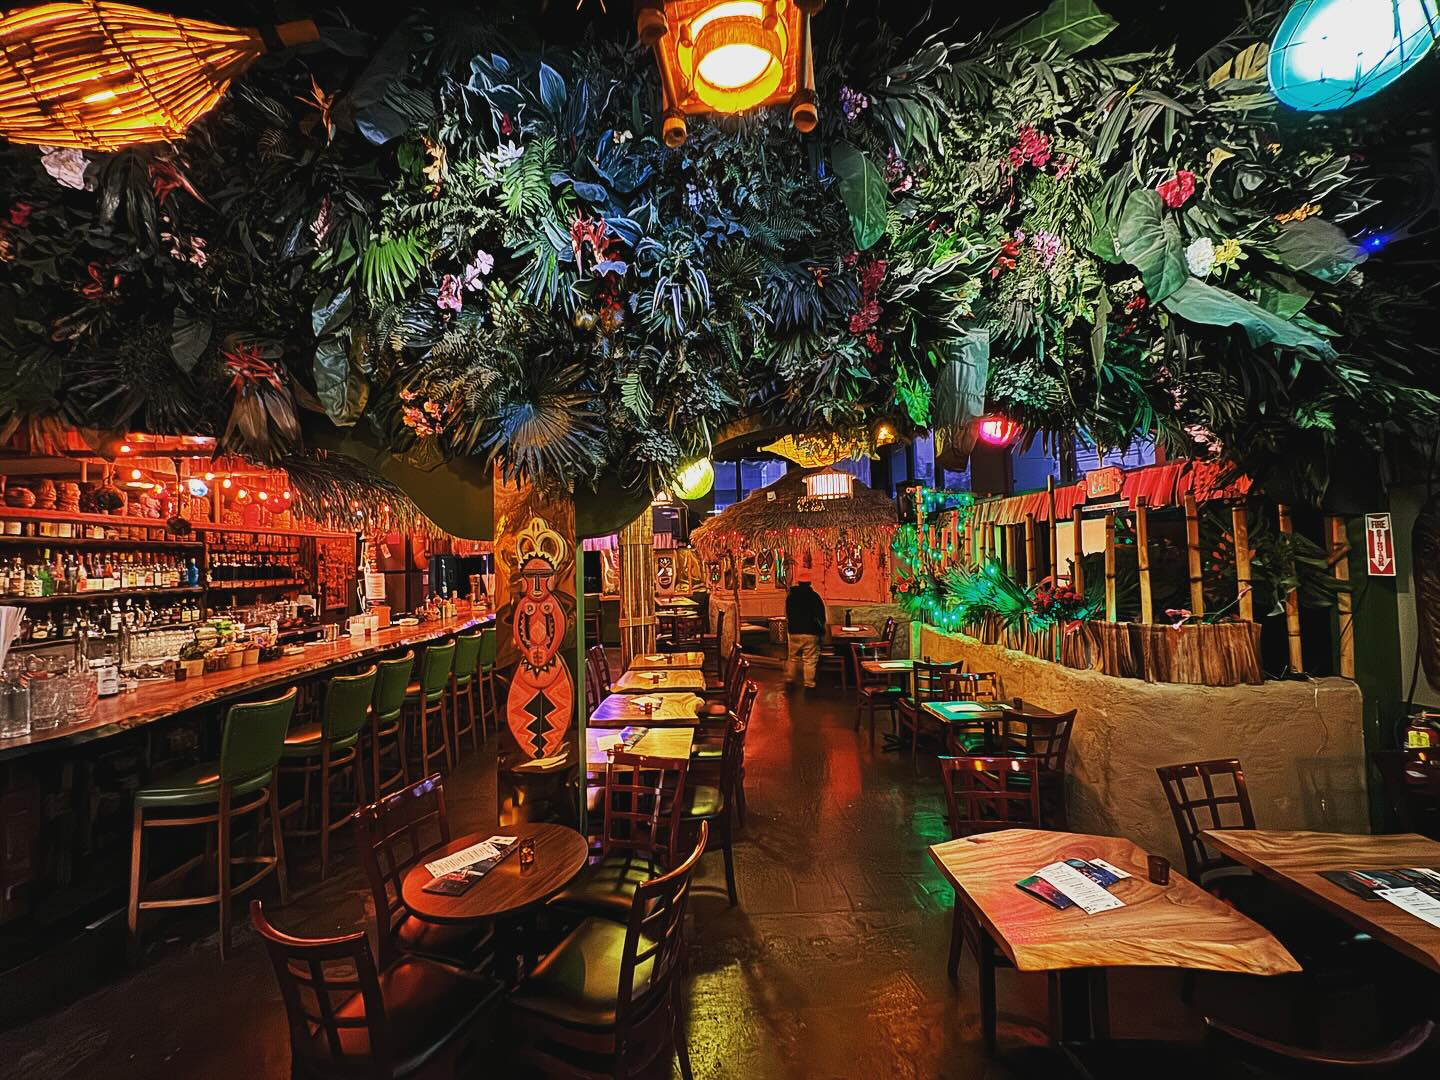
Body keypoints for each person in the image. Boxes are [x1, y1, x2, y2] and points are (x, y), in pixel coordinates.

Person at [785, 574, 827, 689]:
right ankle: (809, 683)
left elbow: (788, 614)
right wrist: (821, 629)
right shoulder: (814, 597)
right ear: (809, 584)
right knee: (809, 659)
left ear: (798, 583)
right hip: (810, 632)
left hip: (794, 631)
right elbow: (820, 616)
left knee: (792, 657)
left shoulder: (791, 597)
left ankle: (790, 678)